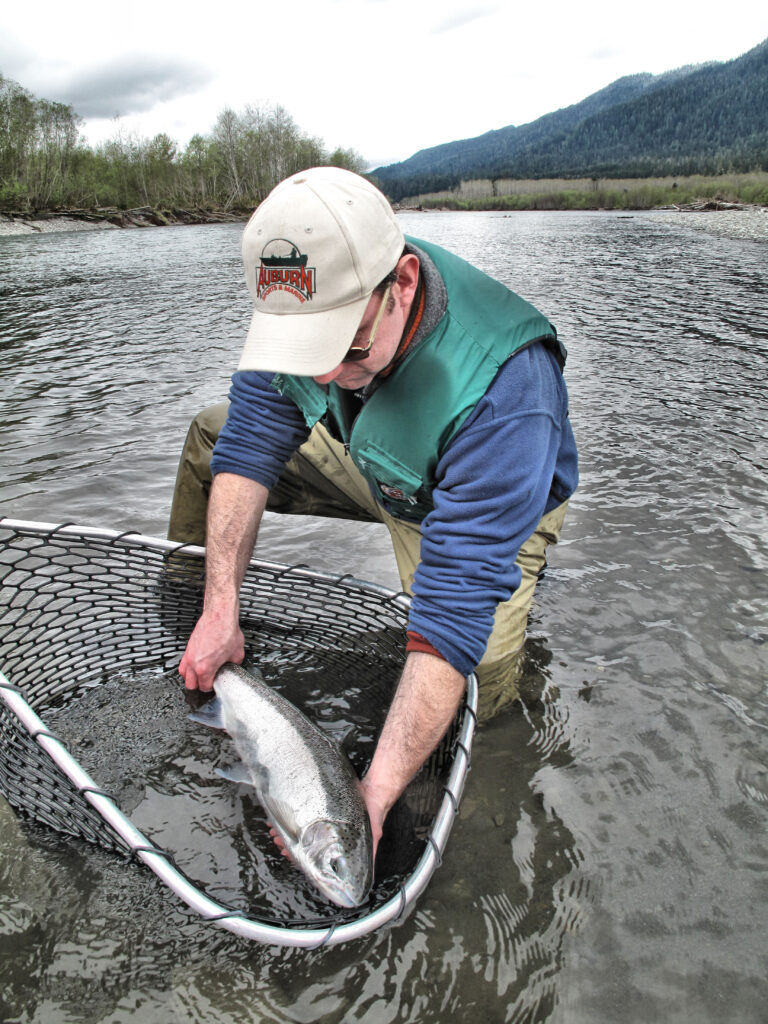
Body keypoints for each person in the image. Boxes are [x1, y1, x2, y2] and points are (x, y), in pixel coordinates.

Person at [173, 166, 578, 858]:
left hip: (471, 507)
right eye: (307, 353)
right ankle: (188, 629)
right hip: (375, 458)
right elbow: (247, 443)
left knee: (481, 682)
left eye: (346, 346)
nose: (322, 373)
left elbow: (448, 620)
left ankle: (478, 794)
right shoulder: (303, 291)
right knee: (210, 439)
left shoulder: (510, 396)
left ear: (405, 285)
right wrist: (220, 605)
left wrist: (373, 798)